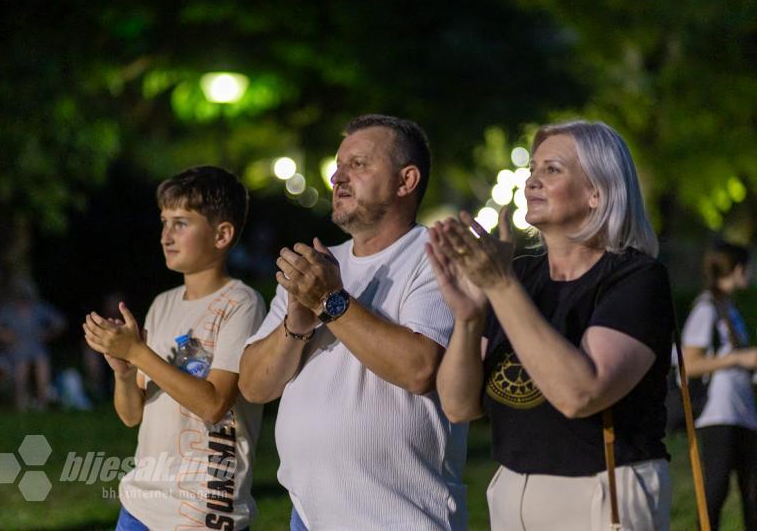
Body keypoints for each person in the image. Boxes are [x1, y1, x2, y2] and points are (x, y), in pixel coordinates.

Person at [428, 120, 674, 530]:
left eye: (552, 170)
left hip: (601, 493)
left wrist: (498, 285)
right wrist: (469, 318)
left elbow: (579, 394)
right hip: (513, 490)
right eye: (532, 172)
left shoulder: (635, 277)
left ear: (598, 192)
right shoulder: (520, 275)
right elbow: (457, 405)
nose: (532, 183)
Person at [238, 114, 467, 530]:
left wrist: (330, 300)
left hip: (401, 517)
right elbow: (254, 386)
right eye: (339, 166)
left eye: (359, 165)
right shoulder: (317, 263)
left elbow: (419, 369)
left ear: (406, 180)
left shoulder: (437, 256)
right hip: (308, 516)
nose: (338, 178)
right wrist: (296, 323)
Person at [83, 166, 265, 531]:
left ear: (222, 234)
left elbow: (214, 404)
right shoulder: (163, 303)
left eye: (181, 223)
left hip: (202, 510)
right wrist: (124, 371)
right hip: (140, 503)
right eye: (164, 222)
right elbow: (132, 414)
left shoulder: (242, 303)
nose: (166, 235)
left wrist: (138, 353)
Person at [682, 241, 757, 530]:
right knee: (716, 489)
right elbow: (690, 363)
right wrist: (739, 357)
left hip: (743, 412)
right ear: (737, 269)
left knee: (751, 492)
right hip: (718, 413)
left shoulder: (729, 308)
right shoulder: (706, 308)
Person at [0, 277, 65, 411]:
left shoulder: (39, 308)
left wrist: (48, 334)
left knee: (42, 363)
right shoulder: (8, 311)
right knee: (21, 366)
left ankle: (42, 401)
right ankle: (21, 401)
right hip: (16, 348)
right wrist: (5, 335)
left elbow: (59, 322)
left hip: (36, 346)